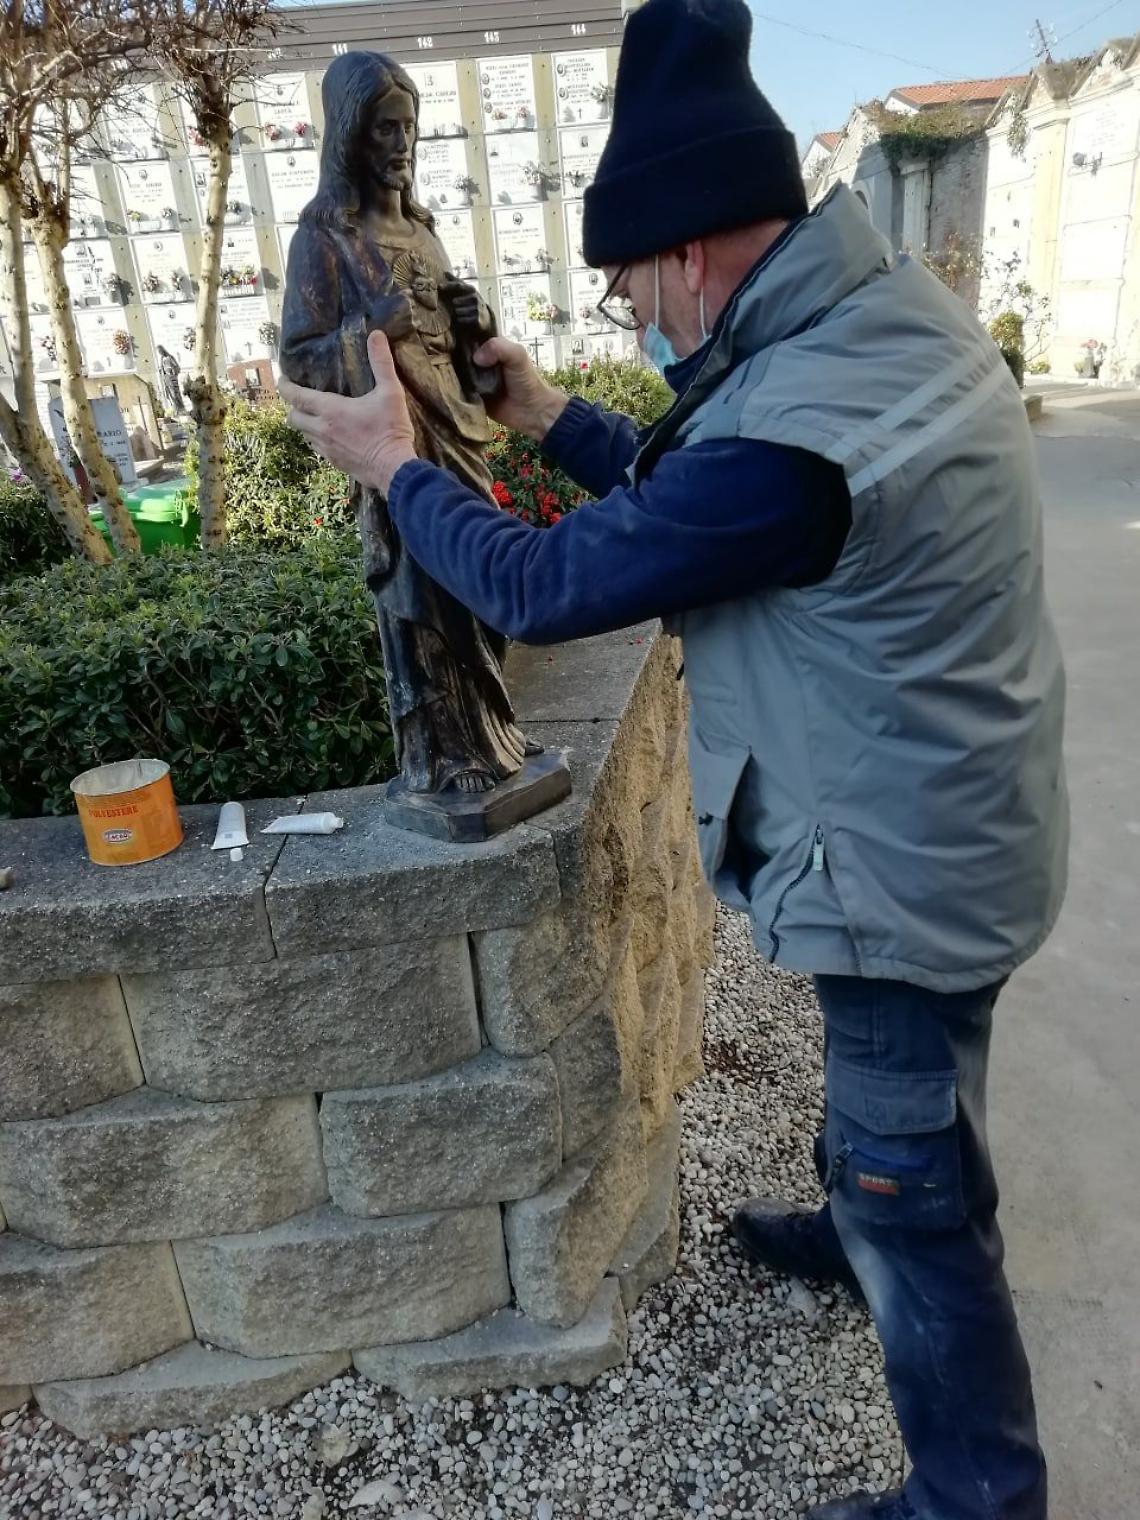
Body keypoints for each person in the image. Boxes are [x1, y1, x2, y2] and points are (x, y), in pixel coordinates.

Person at [279, 1, 1067, 1516]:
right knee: (913, 1093)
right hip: (956, 827)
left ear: (692, 251)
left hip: (903, 870)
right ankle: (869, 1216)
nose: (634, 305)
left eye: (630, 278)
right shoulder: (867, 330)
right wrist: (550, 414)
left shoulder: (809, 424)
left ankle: (976, 1484)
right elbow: (712, 481)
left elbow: (548, 585)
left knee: (918, 1182)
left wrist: (394, 464)